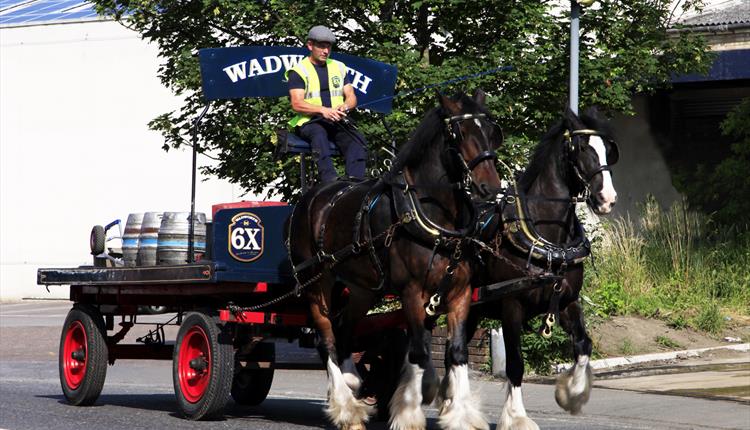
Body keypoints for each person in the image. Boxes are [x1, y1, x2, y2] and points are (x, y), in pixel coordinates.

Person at [286, 25, 367, 184]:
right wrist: (323, 110)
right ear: (310, 45)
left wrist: (344, 107)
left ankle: (355, 183)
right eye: (321, 46)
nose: (325, 51)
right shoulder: (299, 71)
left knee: (357, 139)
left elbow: (351, 97)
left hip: (336, 120)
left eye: (328, 46)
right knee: (319, 135)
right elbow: (297, 104)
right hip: (310, 121)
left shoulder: (339, 67)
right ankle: (330, 181)